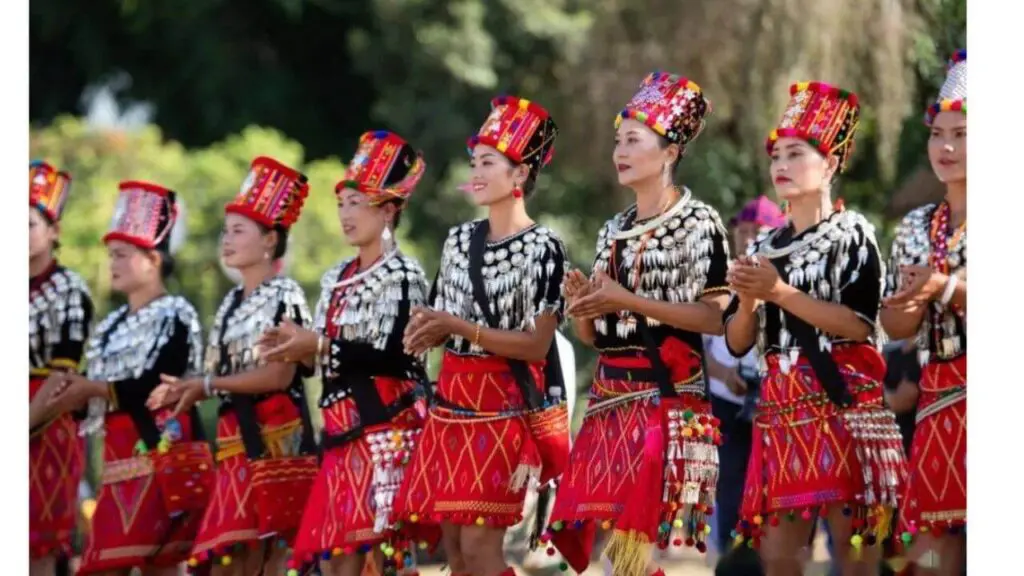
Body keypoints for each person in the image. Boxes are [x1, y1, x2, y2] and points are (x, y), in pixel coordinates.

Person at [545, 71, 731, 576]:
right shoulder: (613, 230)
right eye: (617, 141)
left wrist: (631, 299)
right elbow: (595, 339)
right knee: (599, 533)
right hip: (610, 395)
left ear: (669, 152)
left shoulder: (701, 223)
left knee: (632, 546)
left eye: (633, 140)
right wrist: (586, 306)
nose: (619, 152)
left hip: (665, 396)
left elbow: (714, 320)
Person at [724, 81, 907, 576]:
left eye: (795, 153)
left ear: (829, 164)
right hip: (781, 413)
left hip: (845, 410)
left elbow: (860, 324)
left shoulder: (854, 235)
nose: (780, 164)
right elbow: (739, 341)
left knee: (855, 557)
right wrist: (746, 301)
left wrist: (779, 292)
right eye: (776, 154)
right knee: (780, 558)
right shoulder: (763, 243)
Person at [393, 95, 569, 576]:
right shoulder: (456, 240)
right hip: (451, 406)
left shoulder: (544, 247)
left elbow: (537, 344)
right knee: (452, 550)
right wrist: (423, 332)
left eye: (488, 162)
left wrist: (458, 327)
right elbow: (440, 317)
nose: (475, 170)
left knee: (479, 547)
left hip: (503, 408)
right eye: (474, 161)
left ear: (519, 176)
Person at [261, 131, 432, 576]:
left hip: (384, 433)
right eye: (341, 204)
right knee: (335, 561)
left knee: (375, 559)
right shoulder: (337, 275)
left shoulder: (404, 274)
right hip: (337, 435)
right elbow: (325, 351)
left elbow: (397, 357)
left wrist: (316, 345)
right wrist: (294, 348)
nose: (345, 214)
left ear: (390, 209)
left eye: (357, 203)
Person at [150, 157, 317, 574]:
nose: (226, 240)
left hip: (275, 433)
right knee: (229, 556)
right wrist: (184, 387)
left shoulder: (285, 294)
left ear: (269, 240)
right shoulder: (228, 304)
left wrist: (206, 385)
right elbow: (216, 374)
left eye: (238, 231)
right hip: (232, 440)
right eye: (226, 231)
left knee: (263, 555)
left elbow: (280, 374)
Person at [50, 180, 205, 575]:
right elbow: (94, 391)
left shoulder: (176, 314)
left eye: (122, 255)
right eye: (110, 255)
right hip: (117, 464)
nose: (112, 264)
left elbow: (159, 383)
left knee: (160, 567)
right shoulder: (113, 325)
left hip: (160, 459)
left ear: (152, 259)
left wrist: (93, 389)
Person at [881, 49, 967, 576]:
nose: (946, 146)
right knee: (930, 557)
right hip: (936, 399)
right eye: (937, 133)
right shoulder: (916, 224)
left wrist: (945, 286)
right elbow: (894, 326)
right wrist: (910, 305)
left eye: (961, 133)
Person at [706, 195, 785, 557]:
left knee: (778, 483)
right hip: (725, 398)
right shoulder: (716, 277)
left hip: (776, 397)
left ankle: (773, 557)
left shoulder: (783, 275)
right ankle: (729, 556)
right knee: (730, 482)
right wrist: (725, 372)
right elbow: (698, 346)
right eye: (745, 229)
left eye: (760, 230)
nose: (750, 235)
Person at [29, 161, 94, 576]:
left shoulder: (70, 290)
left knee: (36, 545)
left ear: (54, 232)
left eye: (29, 224)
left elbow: (63, 375)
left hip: (46, 421)